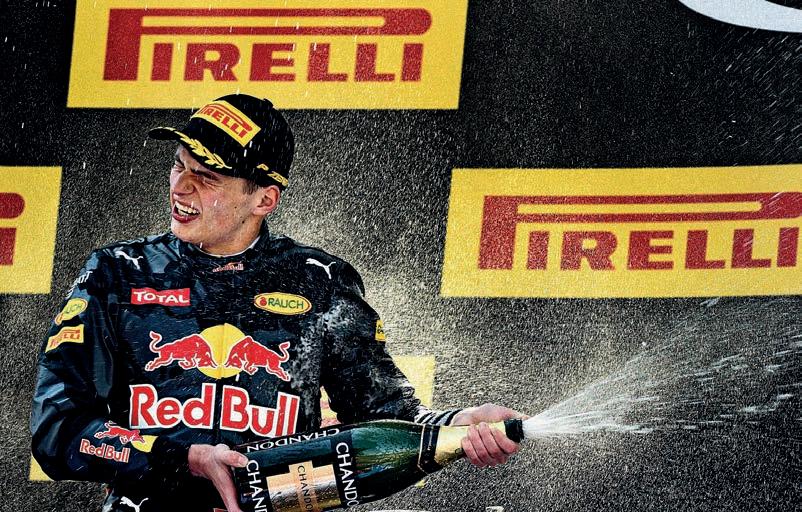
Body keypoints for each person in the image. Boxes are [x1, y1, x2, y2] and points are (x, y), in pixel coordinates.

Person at [30, 94, 524, 512]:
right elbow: (57, 429)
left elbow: (386, 417)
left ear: (264, 199)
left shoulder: (321, 282)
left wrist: (457, 427)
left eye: (207, 176)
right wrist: (183, 459)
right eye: (179, 165)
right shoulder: (116, 273)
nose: (180, 186)